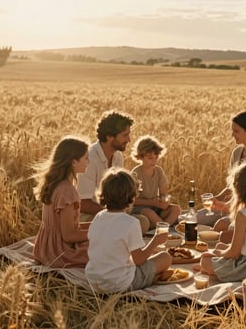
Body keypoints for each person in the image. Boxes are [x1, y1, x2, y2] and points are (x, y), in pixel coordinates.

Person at [85, 168, 172, 293]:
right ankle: (154, 279)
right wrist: (155, 241)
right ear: (131, 197)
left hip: (94, 281)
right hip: (119, 283)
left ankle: (154, 277)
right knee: (165, 257)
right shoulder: (130, 222)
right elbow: (139, 260)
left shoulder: (99, 217)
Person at [77, 110, 150, 234]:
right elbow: (83, 204)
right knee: (131, 226)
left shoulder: (117, 156)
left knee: (143, 222)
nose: (129, 139)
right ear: (109, 136)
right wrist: (115, 214)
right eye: (125, 135)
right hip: (89, 216)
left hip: (112, 212)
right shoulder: (90, 159)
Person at [33, 136, 90, 268]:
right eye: (86, 158)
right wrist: (98, 232)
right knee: (107, 246)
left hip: (45, 248)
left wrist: (97, 224)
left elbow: (66, 225)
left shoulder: (56, 184)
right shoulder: (67, 191)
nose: (89, 162)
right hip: (60, 252)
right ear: (73, 162)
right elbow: (69, 235)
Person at [131, 135, 181, 229]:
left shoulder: (159, 171)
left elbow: (163, 193)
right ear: (140, 157)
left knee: (176, 209)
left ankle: (159, 226)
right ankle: (164, 228)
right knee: (149, 213)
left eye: (156, 157)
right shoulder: (136, 173)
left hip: (155, 207)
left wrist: (164, 201)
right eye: (150, 158)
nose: (154, 161)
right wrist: (152, 202)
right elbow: (132, 200)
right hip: (141, 208)